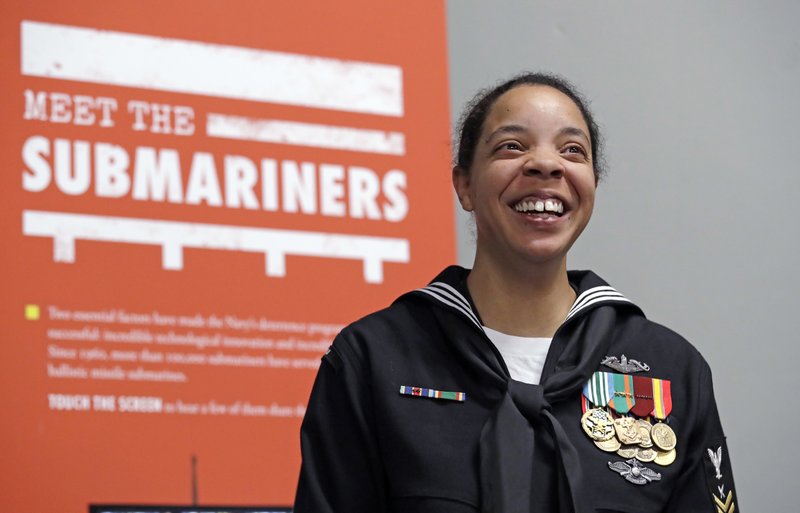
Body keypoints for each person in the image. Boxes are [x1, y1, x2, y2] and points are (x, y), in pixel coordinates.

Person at [294, 72, 739, 513]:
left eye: (572, 150)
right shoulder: (372, 359)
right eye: (512, 146)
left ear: (592, 188)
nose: (546, 165)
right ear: (464, 185)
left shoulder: (674, 370)